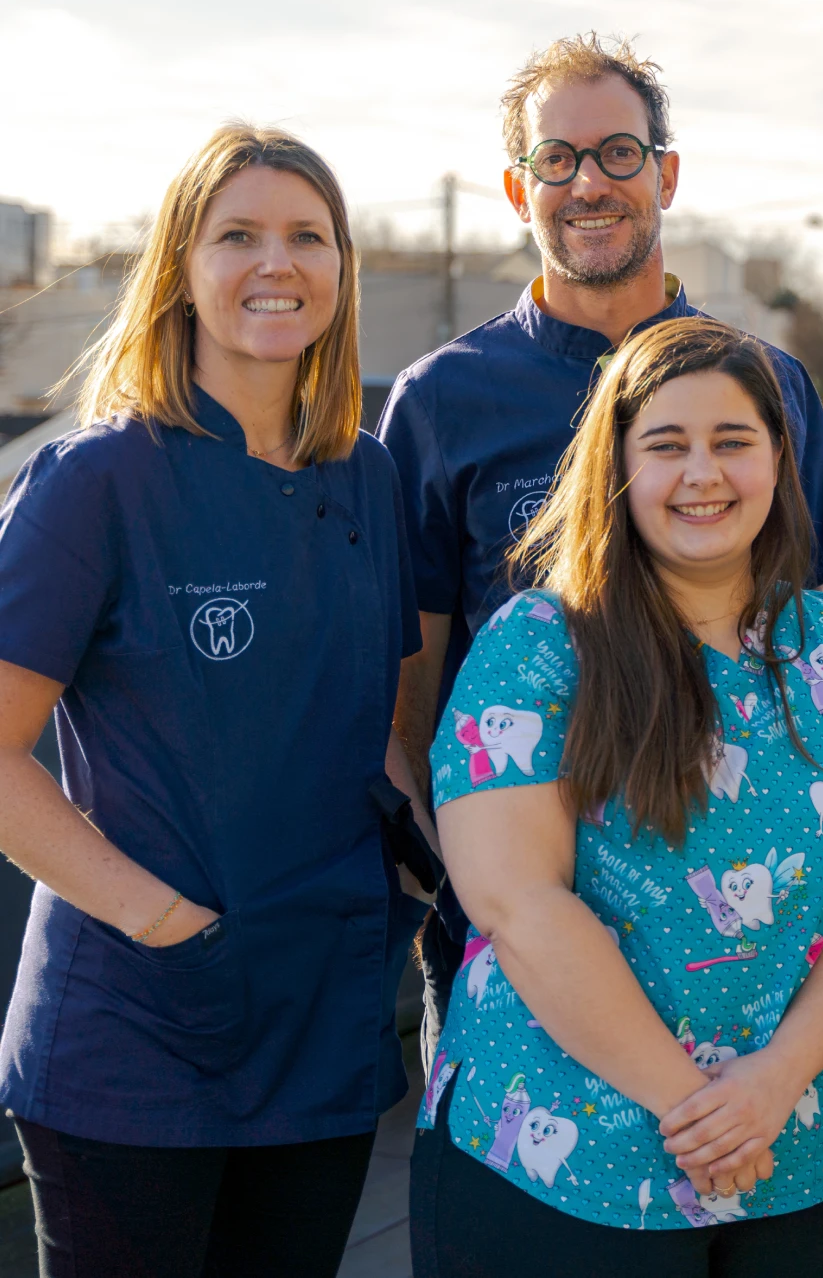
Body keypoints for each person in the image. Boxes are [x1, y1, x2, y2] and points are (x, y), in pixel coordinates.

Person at [378, 34, 823, 1063]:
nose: (588, 183)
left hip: (744, 921)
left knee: (746, 1170)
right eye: (556, 160)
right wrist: (465, 870)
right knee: (512, 1201)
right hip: (517, 922)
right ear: (519, 189)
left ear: (666, 174)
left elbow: (815, 653)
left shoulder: (767, 387)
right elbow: (408, 685)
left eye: (617, 153)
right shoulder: (441, 402)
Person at [0, 126, 434, 1277]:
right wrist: (167, 928)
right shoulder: (98, 480)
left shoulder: (369, 476)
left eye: (307, 235)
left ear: (343, 270)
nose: (273, 262)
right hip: (138, 1030)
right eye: (235, 234)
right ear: (181, 268)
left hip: (322, 1014)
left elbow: (378, 735)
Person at [406, 317, 823, 1275]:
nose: (704, 473)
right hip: (564, 1166)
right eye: (666, 445)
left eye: (734, 441)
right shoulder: (537, 645)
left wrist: (770, 1085)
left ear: (780, 457)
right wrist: (704, 1112)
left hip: (795, 1155)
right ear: (617, 468)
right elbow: (519, 905)